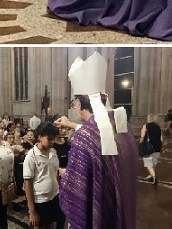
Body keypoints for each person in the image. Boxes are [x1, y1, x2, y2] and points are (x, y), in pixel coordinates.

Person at [59, 53, 137, 229]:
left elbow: (76, 187)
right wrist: (72, 125)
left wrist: (66, 174)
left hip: (101, 214)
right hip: (122, 210)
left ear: (78, 103)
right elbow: (101, 142)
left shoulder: (85, 137)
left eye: (74, 103)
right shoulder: (124, 128)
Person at [23, 122, 60, 229]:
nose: (52, 142)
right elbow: (28, 184)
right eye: (49, 139)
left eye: (54, 139)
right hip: (40, 201)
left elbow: (55, 173)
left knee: (53, 225)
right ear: (40, 137)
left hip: (53, 197)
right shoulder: (31, 156)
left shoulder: (53, 152)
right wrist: (32, 212)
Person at [139, 114, 162, 184]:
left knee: (148, 163)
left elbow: (142, 136)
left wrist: (140, 143)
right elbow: (161, 138)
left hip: (148, 147)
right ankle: (151, 175)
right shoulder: (158, 127)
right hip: (157, 147)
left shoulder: (145, 126)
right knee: (153, 163)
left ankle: (154, 177)